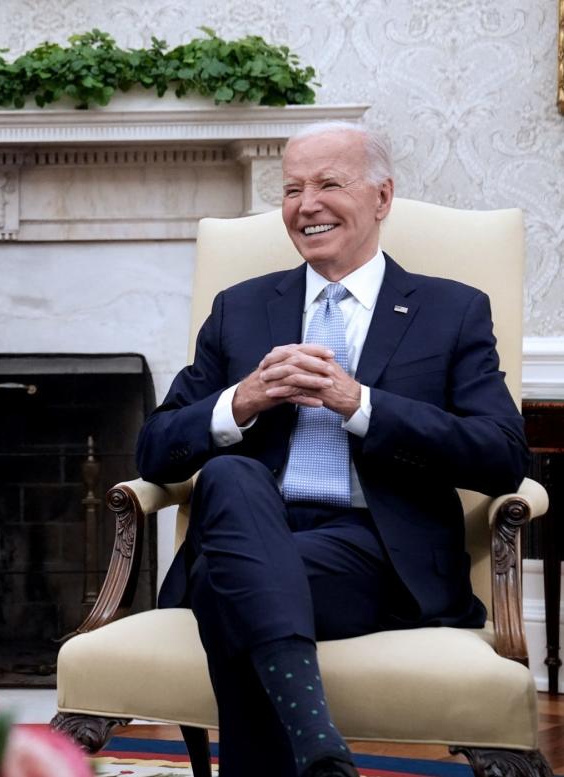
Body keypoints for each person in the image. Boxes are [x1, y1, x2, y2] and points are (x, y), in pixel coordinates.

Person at [137, 122, 528, 777]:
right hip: (251, 530)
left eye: (328, 183)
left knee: (228, 584)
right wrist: (244, 399)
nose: (305, 204)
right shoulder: (242, 309)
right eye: (292, 188)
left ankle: (314, 751)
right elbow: (152, 449)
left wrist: (362, 405)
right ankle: (319, 750)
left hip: (377, 554)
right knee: (232, 476)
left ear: (381, 197)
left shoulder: (449, 311)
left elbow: (499, 455)